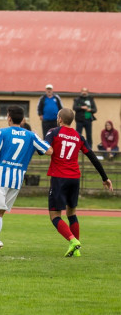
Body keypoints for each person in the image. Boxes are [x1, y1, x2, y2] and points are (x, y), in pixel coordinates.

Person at [0, 106, 52, 256]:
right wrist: (37, 137)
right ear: (23, 120)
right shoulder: (31, 136)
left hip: (1, 177)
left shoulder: (3, 132)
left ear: (9, 117)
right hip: (17, 179)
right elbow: (49, 151)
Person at [44, 109, 112, 257]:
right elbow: (92, 156)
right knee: (71, 213)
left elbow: (43, 148)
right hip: (74, 178)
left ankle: (73, 240)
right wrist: (104, 177)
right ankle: (76, 250)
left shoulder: (53, 132)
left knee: (55, 215)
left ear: (60, 119)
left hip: (59, 178)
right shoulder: (79, 137)